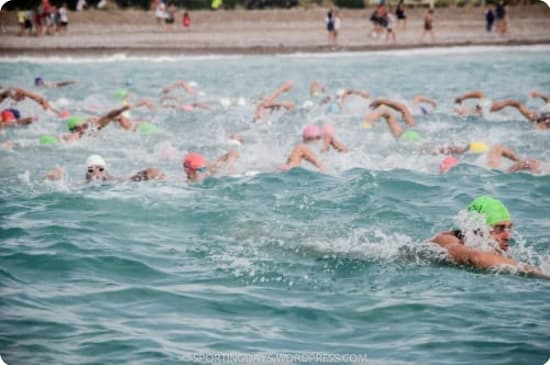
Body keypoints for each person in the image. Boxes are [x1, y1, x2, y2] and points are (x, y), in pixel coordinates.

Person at [429, 196, 549, 279]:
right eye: (499, 228)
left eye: (509, 228)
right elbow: (476, 258)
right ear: (478, 230)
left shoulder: (488, 248)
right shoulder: (448, 240)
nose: (508, 236)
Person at [46, 154, 164, 183]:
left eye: (100, 169)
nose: (96, 173)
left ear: (106, 170)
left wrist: (152, 173)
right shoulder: (82, 185)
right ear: (87, 173)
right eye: (91, 170)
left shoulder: (116, 181)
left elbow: (137, 177)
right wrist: (57, 178)